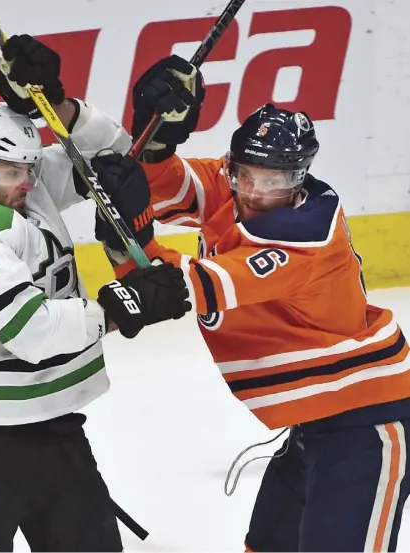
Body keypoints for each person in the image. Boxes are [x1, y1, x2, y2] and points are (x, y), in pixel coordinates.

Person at [91, 55, 410, 552]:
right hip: (314, 425)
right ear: (234, 167)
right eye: (247, 176)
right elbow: (167, 185)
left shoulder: (303, 240)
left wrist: (124, 243)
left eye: (275, 181)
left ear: (300, 177)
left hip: (366, 425)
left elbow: (176, 288)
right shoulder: (238, 187)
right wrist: (154, 142)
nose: (258, 193)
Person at [0, 35, 191, 553]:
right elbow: (28, 329)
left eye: (29, 169)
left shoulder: (27, 191)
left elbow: (109, 155)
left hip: (55, 422)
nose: (25, 181)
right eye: (11, 171)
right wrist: (119, 304)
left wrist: (53, 101)